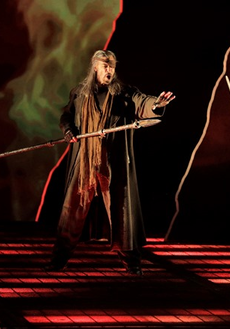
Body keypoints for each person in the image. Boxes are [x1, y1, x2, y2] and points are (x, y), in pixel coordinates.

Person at [44, 50, 175, 275]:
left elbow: (142, 103)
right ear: (95, 67)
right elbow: (67, 115)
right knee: (72, 210)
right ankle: (59, 259)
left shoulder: (123, 94)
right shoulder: (80, 94)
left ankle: (132, 263)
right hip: (85, 160)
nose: (109, 69)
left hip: (111, 163)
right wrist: (68, 130)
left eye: (112, 65)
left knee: (121, 209)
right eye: (105, 65)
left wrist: (157, 104)